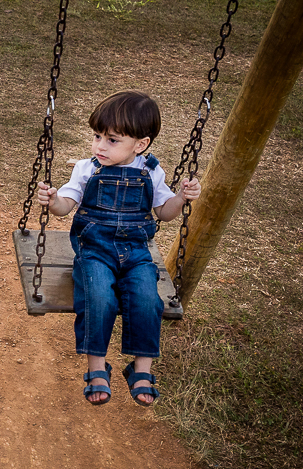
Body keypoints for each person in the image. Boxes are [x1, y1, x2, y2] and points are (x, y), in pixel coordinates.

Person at [37, 90, 201, 407]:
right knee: (98, 297)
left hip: (137, 253)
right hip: (95, 250)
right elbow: (65, 206)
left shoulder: (151, 172)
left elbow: (164, 212)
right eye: (97, 136)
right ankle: (97, 367)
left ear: (140, 144)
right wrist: (53, 200)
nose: (100, 146)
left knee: (148, 299)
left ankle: (141, 369)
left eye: (112, 140)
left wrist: (182, 198)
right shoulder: (86, 169)